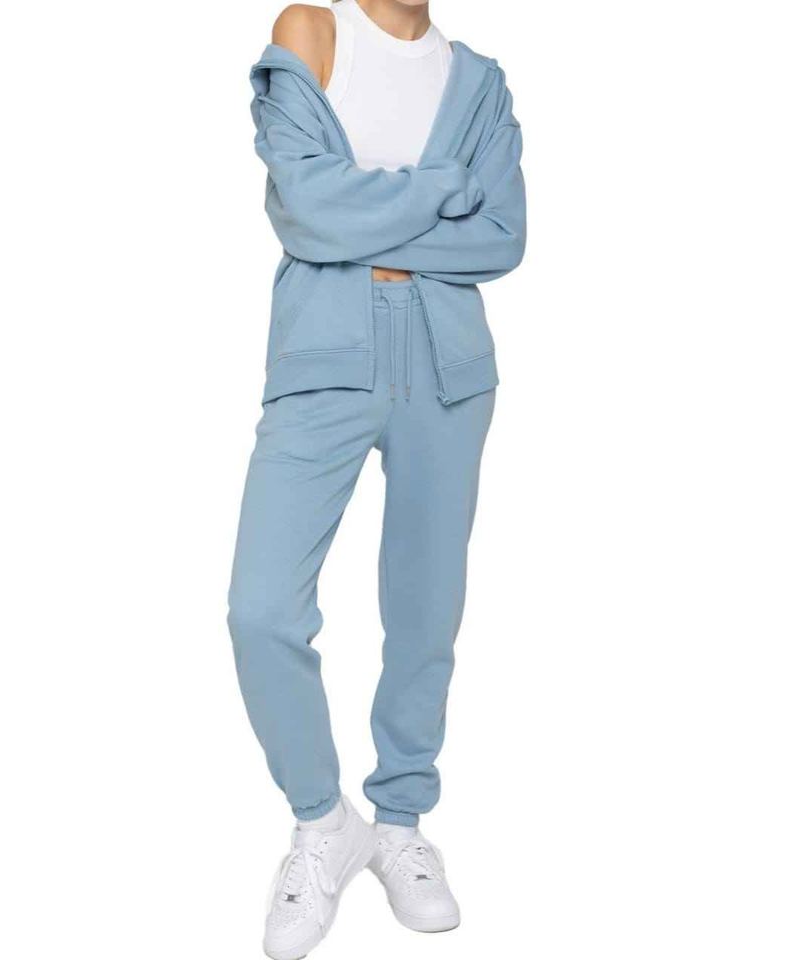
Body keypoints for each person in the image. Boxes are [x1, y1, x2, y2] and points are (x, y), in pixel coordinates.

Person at [228, 1, 526, 956]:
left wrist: (356, 211)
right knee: (261, 609)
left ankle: (400, 821)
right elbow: (304, 211)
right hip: (321, 359)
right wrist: (441, 189)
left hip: (449, 369)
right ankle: (325, 823)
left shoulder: (478, 81)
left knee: (425, 613)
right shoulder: (313, 32)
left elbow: (502, 237)